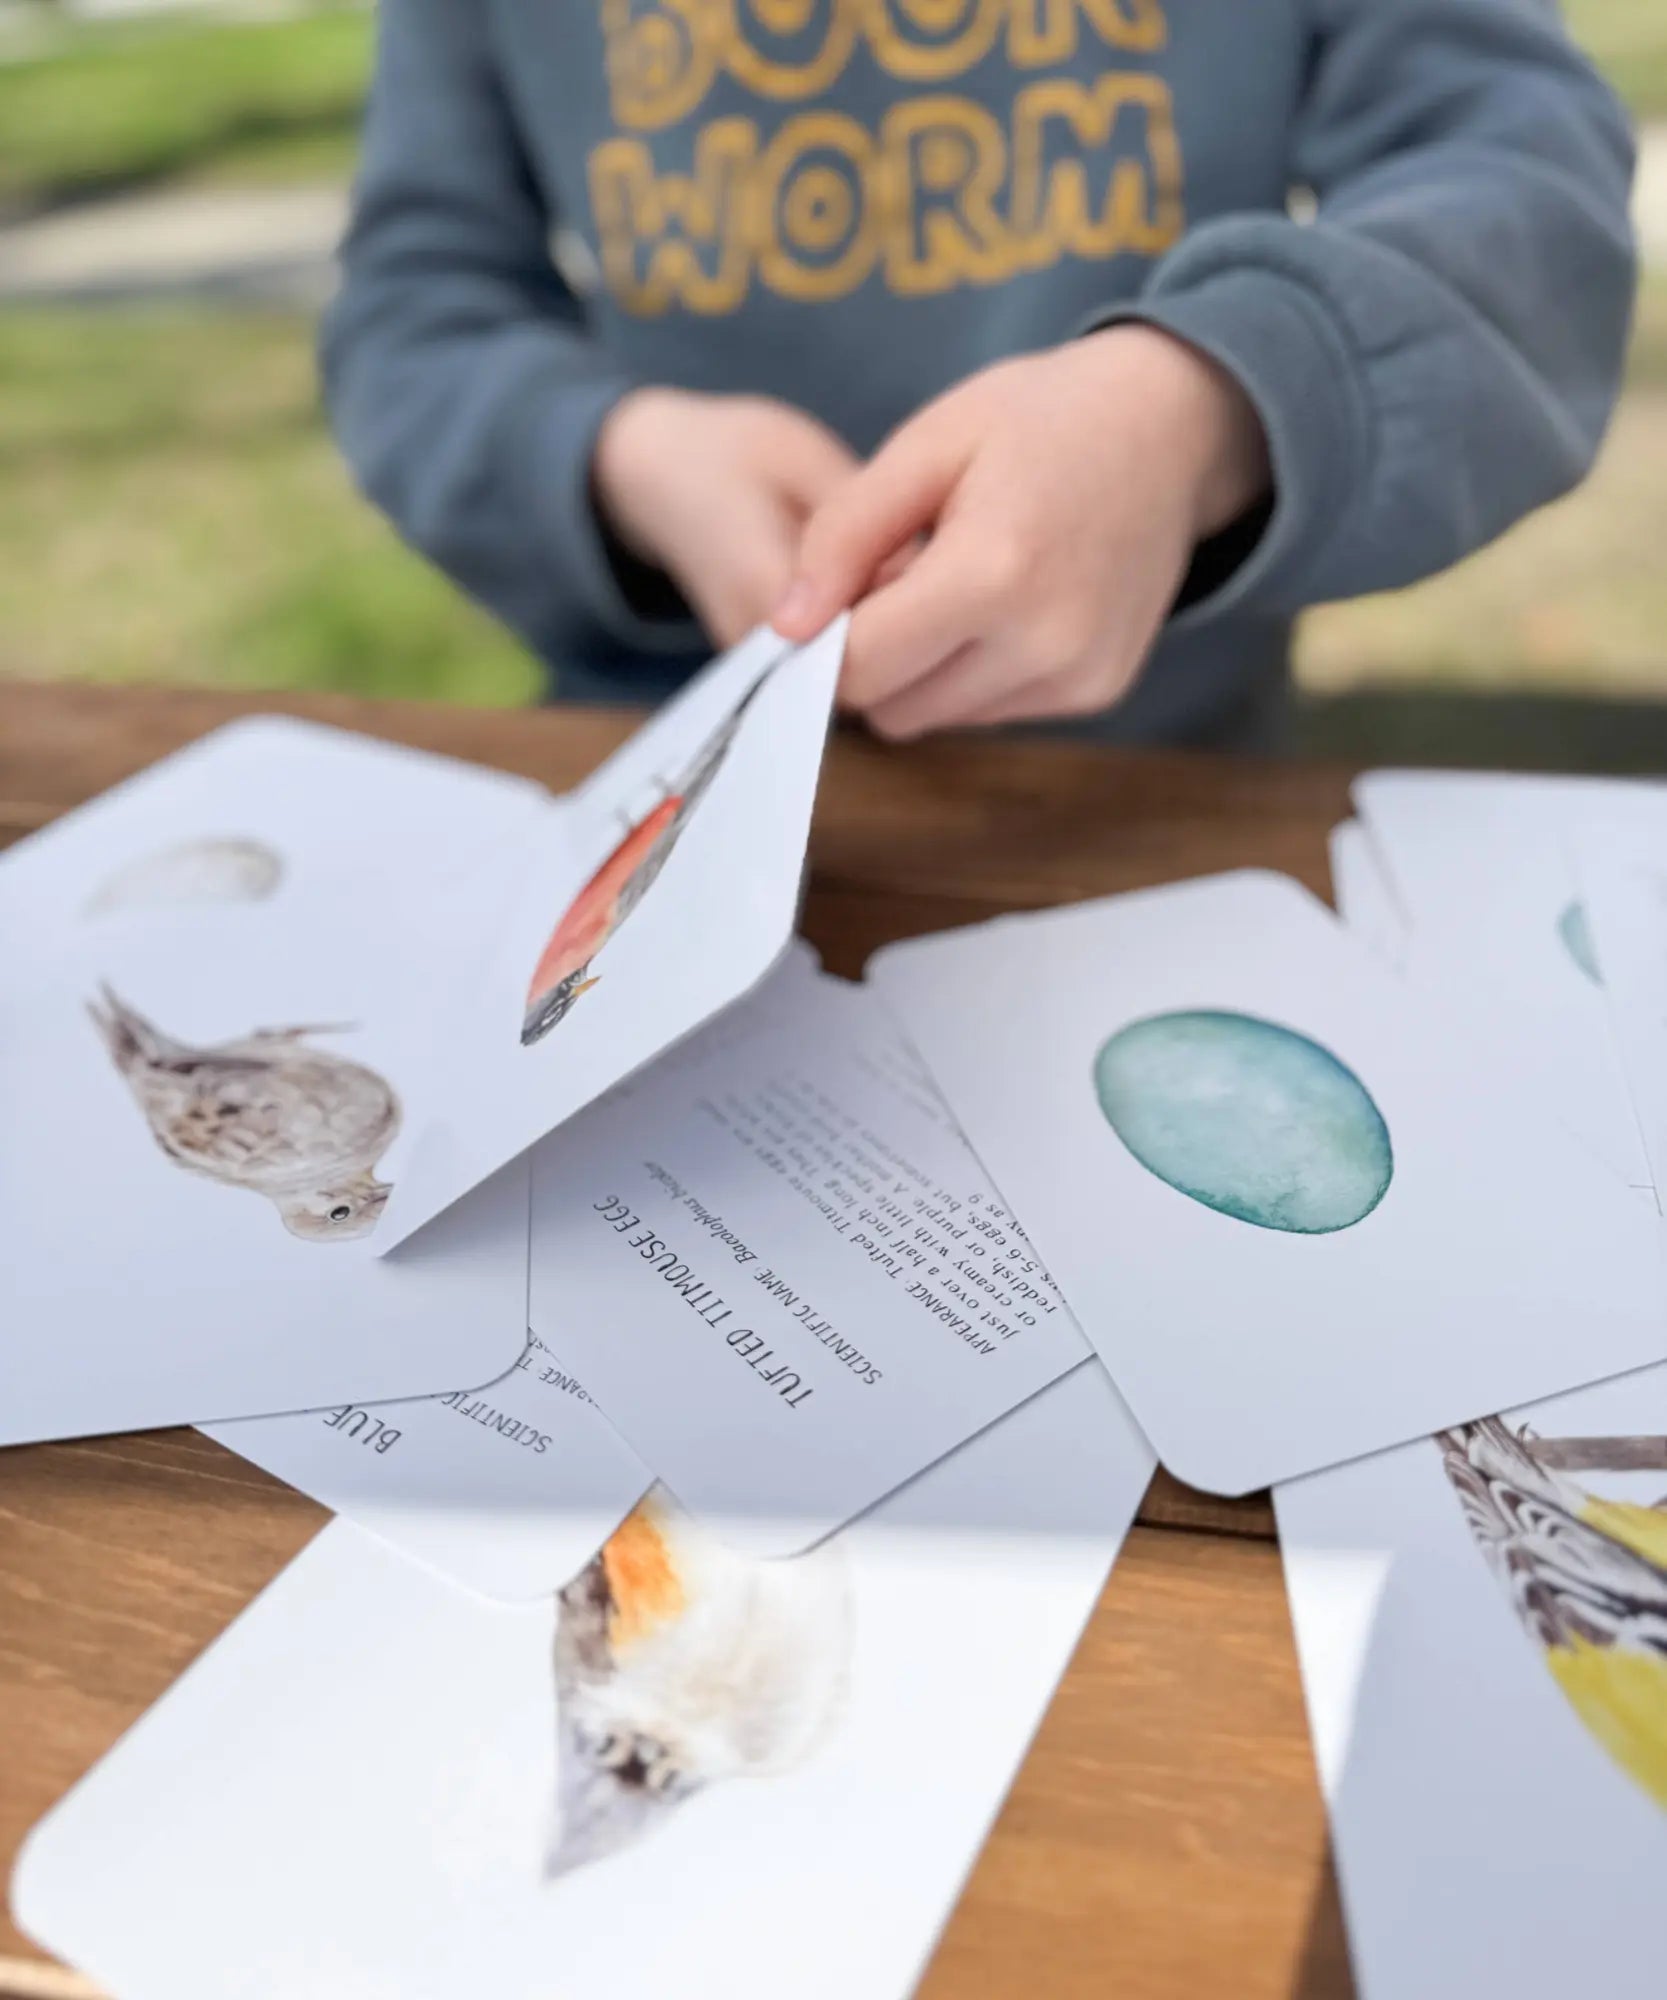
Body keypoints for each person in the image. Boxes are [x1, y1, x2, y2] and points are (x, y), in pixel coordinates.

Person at [322, 0, 1637, 747]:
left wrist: (1206, 403)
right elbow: (410, 305)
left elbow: (1524, 178)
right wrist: (615, 452)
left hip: (1153, 785)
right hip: (666, 766)